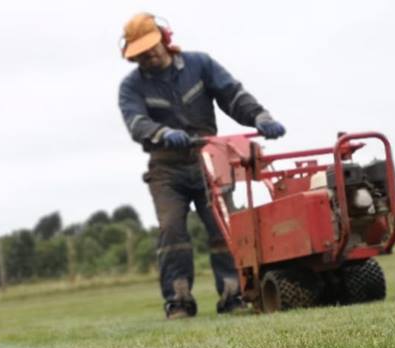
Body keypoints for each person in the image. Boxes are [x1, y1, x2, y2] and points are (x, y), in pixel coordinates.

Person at [118, 13, 286, 319]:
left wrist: (260, 117)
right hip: (166, 169)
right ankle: (179, 301)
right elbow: (136, 121)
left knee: (223, 226)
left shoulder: (200, 65)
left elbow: (232, 96)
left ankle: (233, 295)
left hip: (210, 159)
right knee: (172, 229)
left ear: (165, 39)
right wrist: (163, 134)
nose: (148, 56)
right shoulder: (131, 87)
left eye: (151, 48)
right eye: (140, 53)